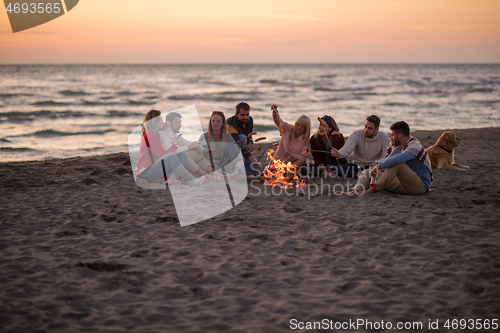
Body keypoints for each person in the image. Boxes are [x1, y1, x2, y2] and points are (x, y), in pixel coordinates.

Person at [349, 121, 432, 195]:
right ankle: (355, 191)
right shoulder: (400, 147)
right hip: (402, 183)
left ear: (399, 135)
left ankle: (372, 190)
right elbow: (388, 160)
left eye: (392, 135)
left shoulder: (414, 146)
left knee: (398, 165)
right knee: (367, 172)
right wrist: (377, 166)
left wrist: (378, 166)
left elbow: (396, 160)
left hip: (419, 186)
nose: (391, 138)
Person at [136, 110, 205, 186]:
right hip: (147, 172)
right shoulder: (150, 137)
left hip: (155, 168)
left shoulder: (154, 134)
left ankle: (172, 179)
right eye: (160, 120)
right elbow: (164, 155)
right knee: (171, 156)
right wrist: (174, 144)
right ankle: (192, 180)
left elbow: (162, 129)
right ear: (154, 122)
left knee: (182, 155)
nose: (162, 122)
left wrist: (166, 126)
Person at [158, 111, 213, 178]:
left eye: (180, 122)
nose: (180, 125)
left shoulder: (174, 134)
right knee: (188, 155)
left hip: (173, 161)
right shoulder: (163, 134)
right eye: (177, 122)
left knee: (197, 153)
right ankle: (206, 175)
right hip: (166, 165)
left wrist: (204, 151)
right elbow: (169, 154)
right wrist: (188, 147)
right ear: (169, 123)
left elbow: (188, 143)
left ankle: (214, 174)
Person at [226, 102, 263, 176]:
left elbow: (249, 136)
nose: (246, 117)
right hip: (230, 153)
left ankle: (241, 170)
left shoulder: (249, 120)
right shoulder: (230, 124)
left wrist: (251, 143)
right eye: (242, 115)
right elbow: (237, 144)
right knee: (242, 138)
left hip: (242, 153)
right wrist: (251, 158)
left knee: (259, 169)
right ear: (236, 115)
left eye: (247, 114)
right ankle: (235, 168)